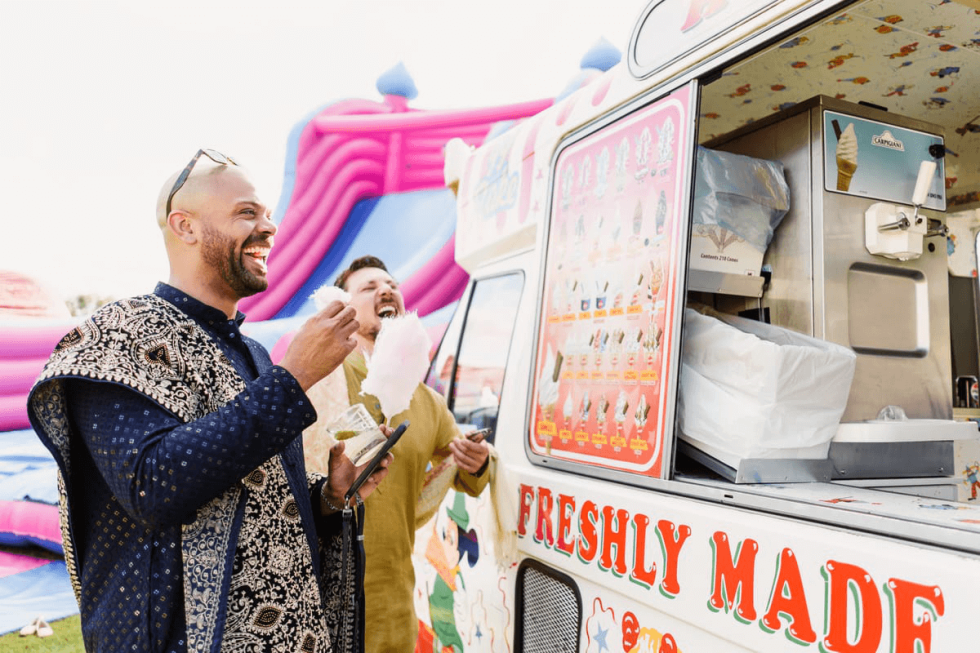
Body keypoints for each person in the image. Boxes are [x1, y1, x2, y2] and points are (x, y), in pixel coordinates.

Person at [27, 150, 390, 653]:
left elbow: (256, 505)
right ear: (186, 226)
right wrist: (294, 379)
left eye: (266, 214)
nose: (270, 227)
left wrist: (329, 496)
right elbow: (152, 484)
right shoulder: (116, 336)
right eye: (248, 213)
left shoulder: (256, 356)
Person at [303, 256, 492, 652]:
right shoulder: (322, 379)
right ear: (343, 307)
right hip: (320, 600)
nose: (385, 290)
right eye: (369, 287)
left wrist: (478, 461)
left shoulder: (429, 403)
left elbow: (466, 473)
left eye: (391, 284)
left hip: (395, 604)